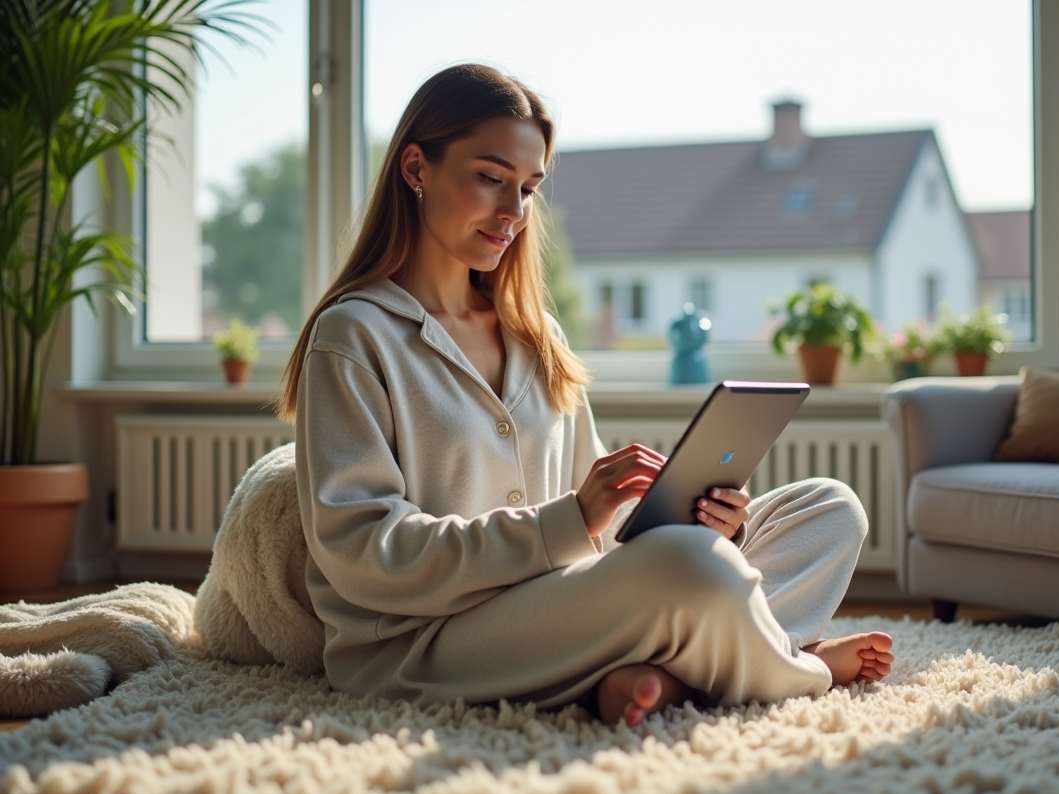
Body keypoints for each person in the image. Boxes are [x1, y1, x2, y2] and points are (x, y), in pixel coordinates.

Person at [278, 64, 893, 728]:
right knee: (689, 568)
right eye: (490, 178)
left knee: (830, 508)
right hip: (424, 643)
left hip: (557, 604)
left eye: (529, 188)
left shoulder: (535, 335)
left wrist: (708, 521)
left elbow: (602, 533)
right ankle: (799, 668)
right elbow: (363, 554)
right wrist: (571, 522)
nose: (513, 213)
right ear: (417, 168)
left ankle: (652, 671)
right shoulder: (353, 335)